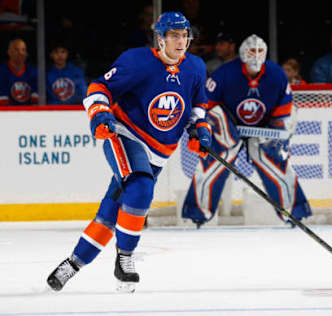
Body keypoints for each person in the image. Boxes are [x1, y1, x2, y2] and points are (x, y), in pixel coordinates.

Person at [46, 11, 212, 293]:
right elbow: (99, 87)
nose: (180, 41)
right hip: (125, 136)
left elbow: (198, 105)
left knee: (111, 211)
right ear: (160, 39)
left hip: (160, 152)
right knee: (141, 186)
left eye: (184, 35)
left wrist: (201, 130)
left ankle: (72, 264)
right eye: (173, 35)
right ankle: (125, 259)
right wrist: (99, 114)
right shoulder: (137, 61)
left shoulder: (195, 67)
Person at [182, 34, 312, 228]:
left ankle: (294, 212)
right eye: (252, 51)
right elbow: (206, 104)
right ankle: (198, 214)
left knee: (275, 163)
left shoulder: (276, 74)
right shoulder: (225, 73)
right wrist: (218, 128)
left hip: (263, 128)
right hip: (229, 126)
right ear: (243, 53)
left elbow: (285, 108)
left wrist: (278, 132)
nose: (256, 55)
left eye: (260, 51)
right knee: (216, 161)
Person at [0, 38, 38, 105]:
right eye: (16, 50)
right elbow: (3, 102)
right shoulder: (2, 71)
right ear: (9, 52)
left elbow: (36, 101)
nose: (20, 53)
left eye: (23, 50)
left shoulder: (33, 71)